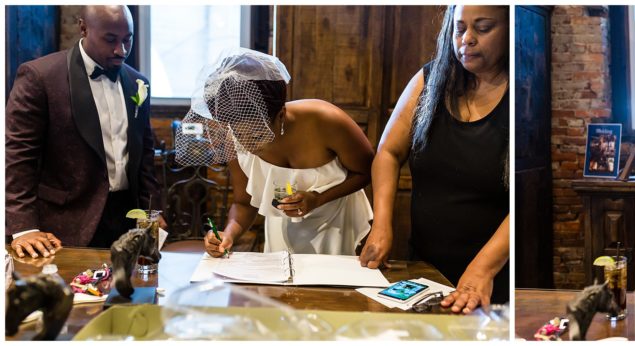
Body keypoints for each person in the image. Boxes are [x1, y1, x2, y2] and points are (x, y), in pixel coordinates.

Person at [359, 5, 509, 314]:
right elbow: (388, 152)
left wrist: (483, 269)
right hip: (425, 270)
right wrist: (382, 223)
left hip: (492, 276)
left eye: (482, 28)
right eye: (459, 28)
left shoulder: (520, 93)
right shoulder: (430, 79)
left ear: (509, 29)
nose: (466, 39)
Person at [6, 6, 160, 257]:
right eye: (110, 39)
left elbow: (145, 156)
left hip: (127, 222)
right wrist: (24, 228)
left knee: (128, 294)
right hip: (62, 224)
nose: (121, 50)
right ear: (84, 28)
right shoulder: (40, 76)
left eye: (127, 40)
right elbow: (17, 157)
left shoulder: (138, 82)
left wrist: (153, 212)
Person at [194, 49, 375, 257]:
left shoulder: (326, 120)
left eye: (256, 135)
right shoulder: (233, 139)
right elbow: (243, 203)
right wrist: (228, 234)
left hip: (339, 228)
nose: (248, 145)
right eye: (238, 134)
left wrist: (318, 198)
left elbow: (367, 172)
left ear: (281, 115)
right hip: (281, 237)